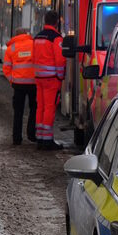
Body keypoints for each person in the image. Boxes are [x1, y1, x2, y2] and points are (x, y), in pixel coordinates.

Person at [32, 11, 66, 150]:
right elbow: (60, 60)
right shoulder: (56, 38)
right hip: (51, 79)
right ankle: (47, 140)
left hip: (39, 77)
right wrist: (60, 76)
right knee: (49, 108)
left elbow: (33, 57)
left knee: (40, 107)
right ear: (57, 22)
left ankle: (40, 137)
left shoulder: (37, 37)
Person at [2, 28, 37, 145]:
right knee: (34, 109)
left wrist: (12, 80)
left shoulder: (11, 48)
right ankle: (31, 134)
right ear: (26, 34)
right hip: (33, 83)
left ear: (16, 35)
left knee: (18, 112)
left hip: (18, 85)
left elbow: (6, 68)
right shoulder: (33, 44)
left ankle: (17, 138)